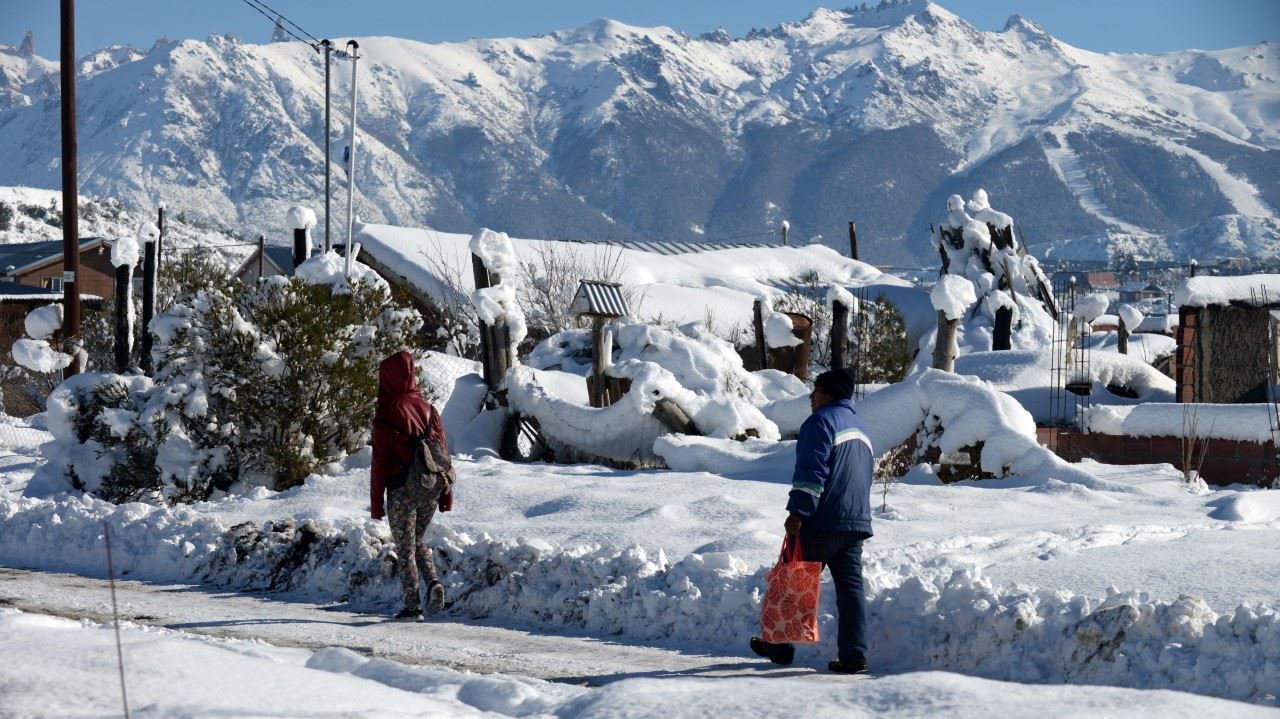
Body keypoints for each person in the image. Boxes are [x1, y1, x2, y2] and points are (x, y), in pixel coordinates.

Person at [751, 367, 874, 674]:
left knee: (791, 575)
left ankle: (779, 647)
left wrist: (798, 512)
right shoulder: (860, 429)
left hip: (822, 520)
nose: (811, 398)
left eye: (815, 391)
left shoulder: (821, 422)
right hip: (855, 522)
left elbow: (811, 471)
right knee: (850, 591)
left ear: (828, 394)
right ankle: (853, 656)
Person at [371, 350, 453, 620]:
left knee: (405, 548)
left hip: (402, 490)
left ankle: (412, 605)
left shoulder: (387, 413)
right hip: (430, 486)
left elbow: (380, 463)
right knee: (418, 542)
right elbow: (442, 453)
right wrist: (446, 494)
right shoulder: (430, 410)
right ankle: (433, 583)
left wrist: (376, 505)